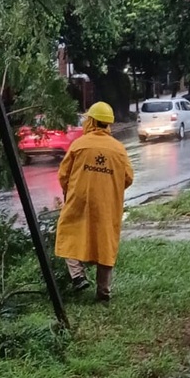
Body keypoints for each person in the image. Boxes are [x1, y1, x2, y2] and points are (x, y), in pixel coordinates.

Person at [54, 102, 134, 302]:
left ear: (91, 121)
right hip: (107, 204)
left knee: (69, 231)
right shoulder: (118, 149)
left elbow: (63, 175)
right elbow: (128, 178)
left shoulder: (79, 145)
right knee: (105, 242)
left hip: (79, 200)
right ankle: (103, 291)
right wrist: (109, 188)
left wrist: (70, 189)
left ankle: (77, 276)